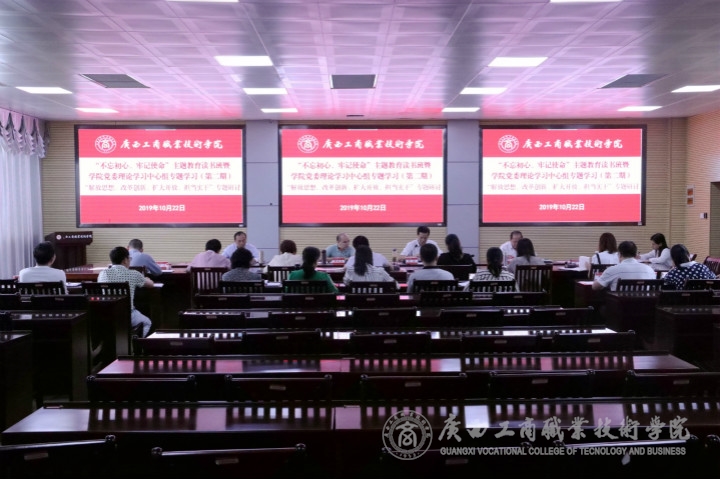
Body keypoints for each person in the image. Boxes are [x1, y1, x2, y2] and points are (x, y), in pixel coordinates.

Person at [98, 246, 153, 337]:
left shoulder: (102, 273)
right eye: (129, 258)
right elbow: (151, 285)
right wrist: (147, 279)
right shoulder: (133, 274)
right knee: (147, 322)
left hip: (106, 314)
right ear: (125, 260)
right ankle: (135, 343)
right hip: (126, 314)